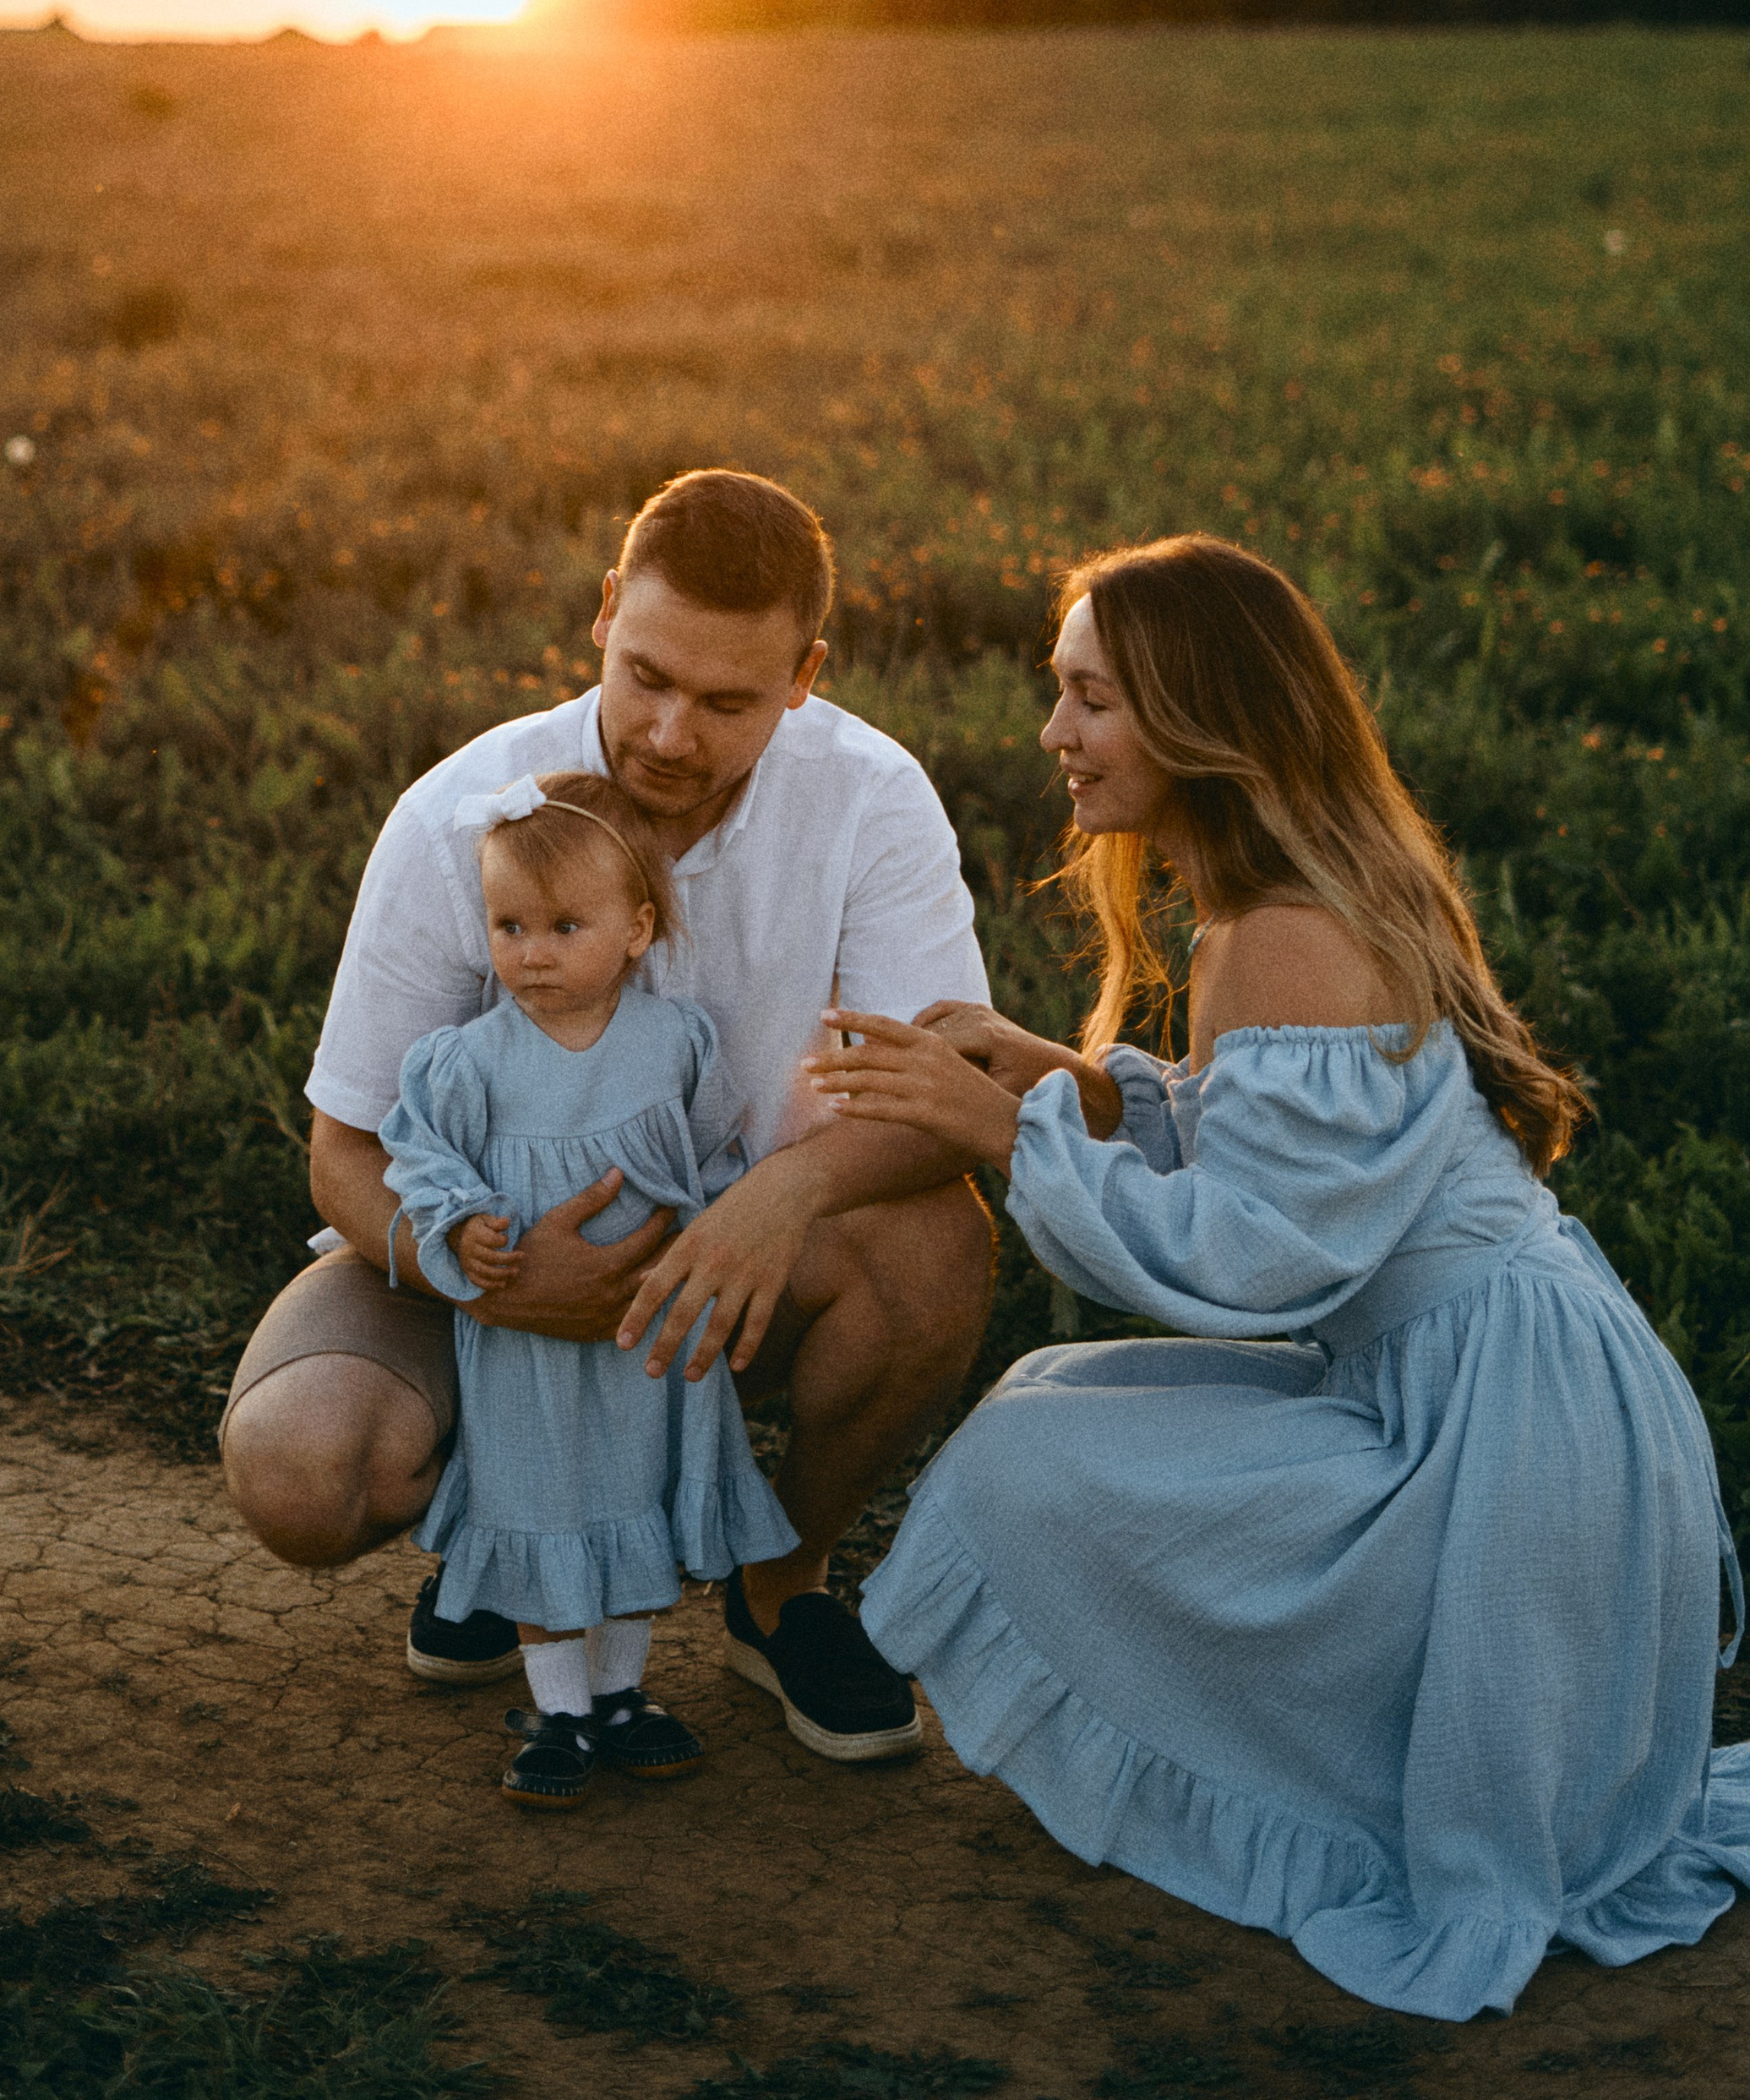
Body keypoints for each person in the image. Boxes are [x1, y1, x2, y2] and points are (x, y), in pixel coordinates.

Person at [804, 534, 1750, 2023]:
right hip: (1495, 1379)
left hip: (1507, 1432)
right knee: (1057, 1403)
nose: (1054, 733)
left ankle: (1306, 1775)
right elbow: (1285, 1156)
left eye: (1092, 698)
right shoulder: (1292, 897)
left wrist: (1007, 1129)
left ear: (1203, 717)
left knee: (1033, 1458)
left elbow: (1254, 1255)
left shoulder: (1284, 933)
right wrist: (1066, 1079)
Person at [221, 467, 995, 1763]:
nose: (672, 733)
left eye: (729, 699)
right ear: (600, 616)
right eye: (648, 676)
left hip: (740, 1261)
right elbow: (344, 1152)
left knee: (937, 1249)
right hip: (482, 1258)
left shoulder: (871, 797)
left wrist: (774, 1199)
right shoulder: (465, 812)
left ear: (806, 673)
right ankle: (511, 1555)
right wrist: (502, 1282)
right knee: (302, 1472)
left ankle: (778, 1588)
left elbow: (945, 1101)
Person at [379, 768, 798, 1804]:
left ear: (636, 928)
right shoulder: (467, 1062)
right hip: (527, 1342)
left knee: (632, 1495)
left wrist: (709, 1245)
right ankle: (557, 1710)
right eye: (509, 924)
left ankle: (619, 1693)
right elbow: (418, 1158)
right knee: (542, 1503)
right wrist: (465, 1227)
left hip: (646, 1337)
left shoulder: (674, 1043)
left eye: (566, 924)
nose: (532, 951)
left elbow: (715, 1162)